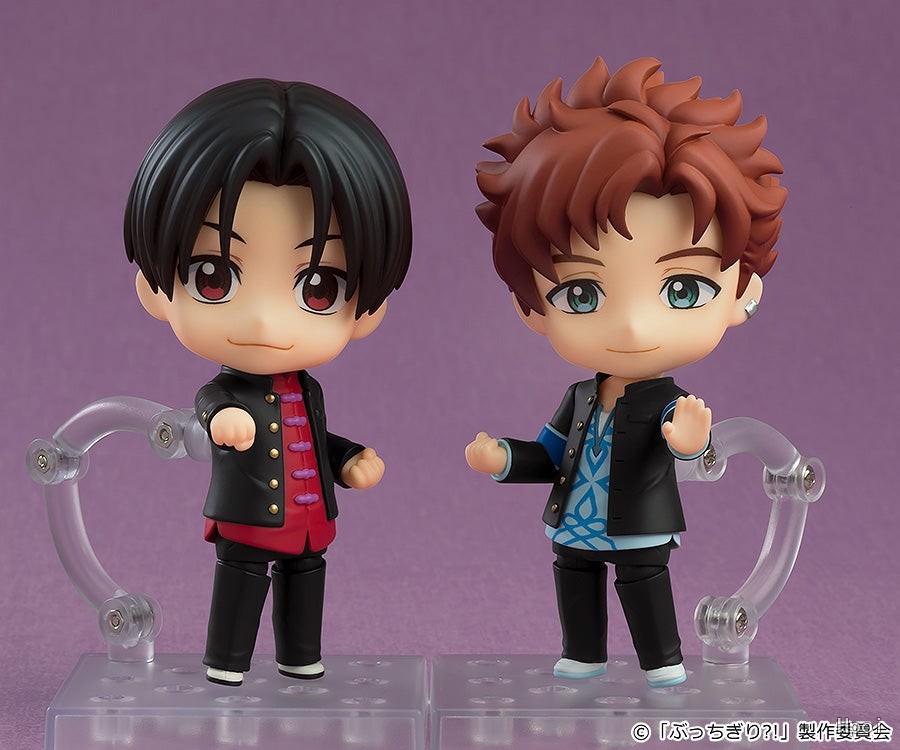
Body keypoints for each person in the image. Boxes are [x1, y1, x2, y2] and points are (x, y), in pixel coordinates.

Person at [466, 56, 785, 687]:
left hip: (639, 527)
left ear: (742, 292)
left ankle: (662, 663)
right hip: (576, 524)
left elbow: (688, 448)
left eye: (683, 289)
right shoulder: (580, 395)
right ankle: (582, 655)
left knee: (644, 584)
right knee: (575, 580)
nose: (633, 327)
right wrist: (503, 458)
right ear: (531, 306)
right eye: (582, 293)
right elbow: (550, 455)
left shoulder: (670, 400)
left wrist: (689, 443)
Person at [125, 79, 412, 686]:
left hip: (310, 521)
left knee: (306, 581)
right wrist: (222, 421)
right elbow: (211, 406)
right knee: (242, 580)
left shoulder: (308, 391)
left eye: (319, 287)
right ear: (154, 288)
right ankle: (226, 662)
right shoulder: (224, 392)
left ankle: (300, 657)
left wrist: (348, 458)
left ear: (368, 309)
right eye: (213, 275)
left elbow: (313, 438)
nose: (263, 321)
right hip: (248, 516)